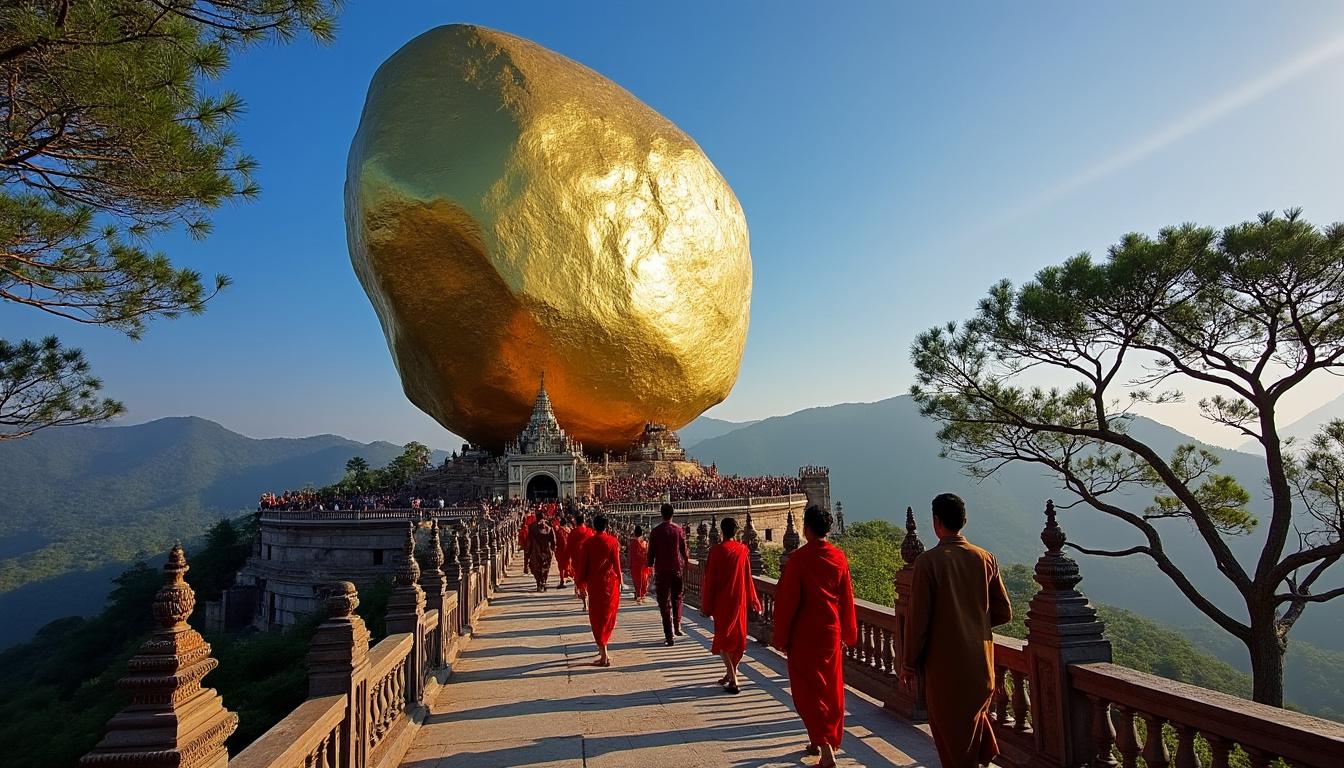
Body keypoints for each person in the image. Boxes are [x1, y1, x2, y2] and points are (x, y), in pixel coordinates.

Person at [901, 493, 1012, 768]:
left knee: (953, 746)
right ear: (964, 521)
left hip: (946, 669)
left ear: (936, 522)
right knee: (971, 729)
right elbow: (1004, 612)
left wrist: (908, 663)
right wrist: (972, 623)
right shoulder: (985, 558)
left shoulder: (928, 562)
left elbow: (918, 621)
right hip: (981, 665)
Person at [771, 505, 857, 768]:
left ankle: (826, 751)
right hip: (830, 633)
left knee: (808, 692)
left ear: (806, 529)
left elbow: (788, 603)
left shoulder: (799, 560)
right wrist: (849, 631)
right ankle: (819, 739)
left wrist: (782, 637)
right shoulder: (839, 557)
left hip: (804, 634)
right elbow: (847, 598)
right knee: (829, 690)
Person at [700, 517, 760, 694]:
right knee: (737, 638)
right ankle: (731, 672)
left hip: (722, 601)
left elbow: (710, 580)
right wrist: (753, 599)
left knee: (723, 637)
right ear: (736, 531)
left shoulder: (716, 551)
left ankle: (733, 678)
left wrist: (706, 605)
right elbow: (748, 577)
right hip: (739, 600)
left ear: (721, 531)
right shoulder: (742, 550)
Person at [574, 514, 622, 667]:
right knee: (608, 617)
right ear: (606, 526)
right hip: (610, 585)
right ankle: (604, 651)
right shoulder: (613, 541)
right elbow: (617, 565)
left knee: (596, 619)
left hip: (595, 585)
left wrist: (580, 584)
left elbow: (583, 566)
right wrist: (620, 582)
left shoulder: (588, 543)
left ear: (594, 526)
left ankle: (604, 654)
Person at [647, 502, 689, 645]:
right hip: (676, 569)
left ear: (661, 514)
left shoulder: (656, 531)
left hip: (661, 571)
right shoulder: (678, 530)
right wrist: (687, 562)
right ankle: (677, 625)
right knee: (677, 598)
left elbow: (651, 553)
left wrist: (649, 563)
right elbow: (684, 550)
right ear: (673, 514)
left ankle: (669, 635)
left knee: (664, 603)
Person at [568, 511, 594, 611]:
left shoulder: (572, 533)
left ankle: (584, 602)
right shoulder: (590, 532)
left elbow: (569, 547)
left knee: (580, 580)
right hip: (588, 559)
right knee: (589, 579)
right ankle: (588, 597)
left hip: (577, 560)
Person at [526, 516, 556, 592]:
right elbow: (554, 541)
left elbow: (529, 541)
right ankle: (543, 582)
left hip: (536, 551)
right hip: (546, 551)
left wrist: (528, 552)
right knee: (545, 568)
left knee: (537, 568)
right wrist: (553, 549)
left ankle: (539, 583)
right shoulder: (549, 528)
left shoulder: (533, 528)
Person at [627, 524, 651, 603]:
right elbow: (647, 553)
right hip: (643, 565)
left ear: (634, 533)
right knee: (644, 580)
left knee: (637, 581)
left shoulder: (632, 543)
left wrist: (629, 564)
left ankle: (638, 596)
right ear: (641, 533)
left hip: (635, 565)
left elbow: (630, 555)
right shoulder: (644, 543)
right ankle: (643, 595)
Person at [554, 514, 571, 589]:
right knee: (568, 564)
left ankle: (562, 580)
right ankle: (568, 576)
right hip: (568, 550)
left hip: (561, 551)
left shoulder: (559, 531)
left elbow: (556, 541)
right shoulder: (569, 530)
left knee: (561, 567)